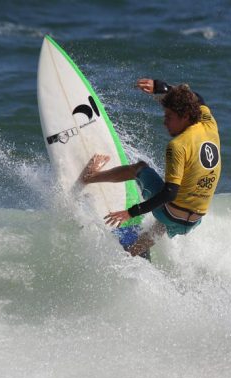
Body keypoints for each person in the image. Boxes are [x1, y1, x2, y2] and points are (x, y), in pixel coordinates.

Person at [81, 78, 221, 257]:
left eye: (169, 117)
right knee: (171, 212)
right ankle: (134, 250)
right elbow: (198, 99)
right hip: (193, 221)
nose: (165, 122)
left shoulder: (178, 145)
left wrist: (131, 212)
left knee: (139, 168)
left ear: (185, 116)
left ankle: (90, 176)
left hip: (171, 213)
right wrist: (162, 88)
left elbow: (169, 193)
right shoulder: (209, 123)